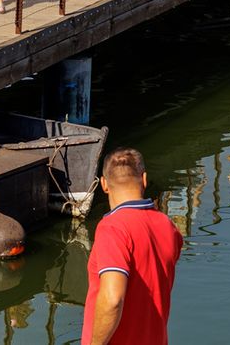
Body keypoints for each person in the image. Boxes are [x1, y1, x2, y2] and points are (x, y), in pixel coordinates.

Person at [82, 148, 183, 345]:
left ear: (104, 184)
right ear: (144, 179)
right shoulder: (168, 227)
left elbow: (113, 299)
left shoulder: (112, 229)